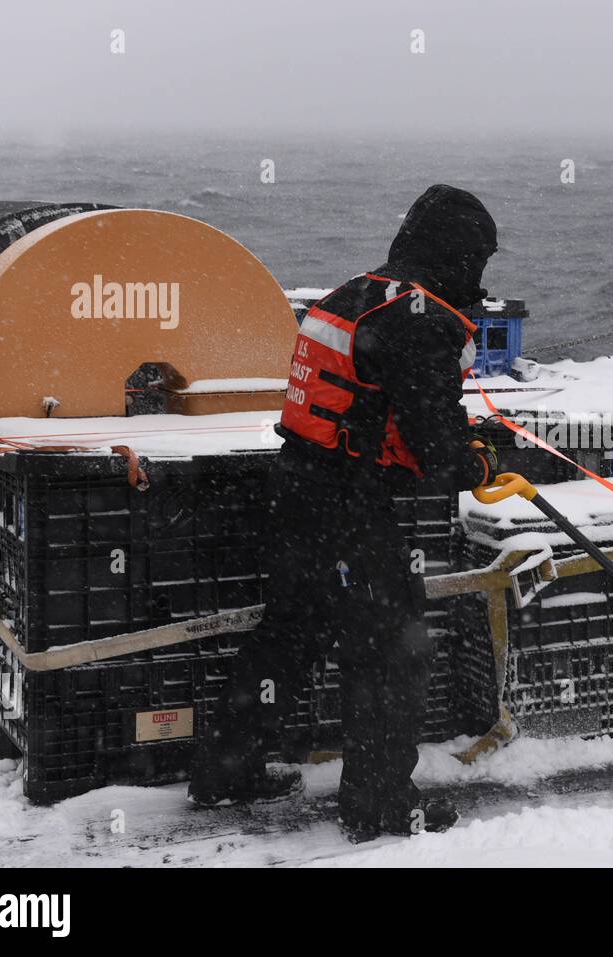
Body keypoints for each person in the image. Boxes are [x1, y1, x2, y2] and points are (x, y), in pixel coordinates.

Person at [189, 185, 501, 842]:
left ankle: (224, 770)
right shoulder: (420, 320)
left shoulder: (353, 294)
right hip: (348, 507)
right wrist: (478, 461)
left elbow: (376, 400)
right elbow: (435, 453)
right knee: (390, 649)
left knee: (290, 634)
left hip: (293, 486)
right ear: (460, 252)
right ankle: (379, 804)